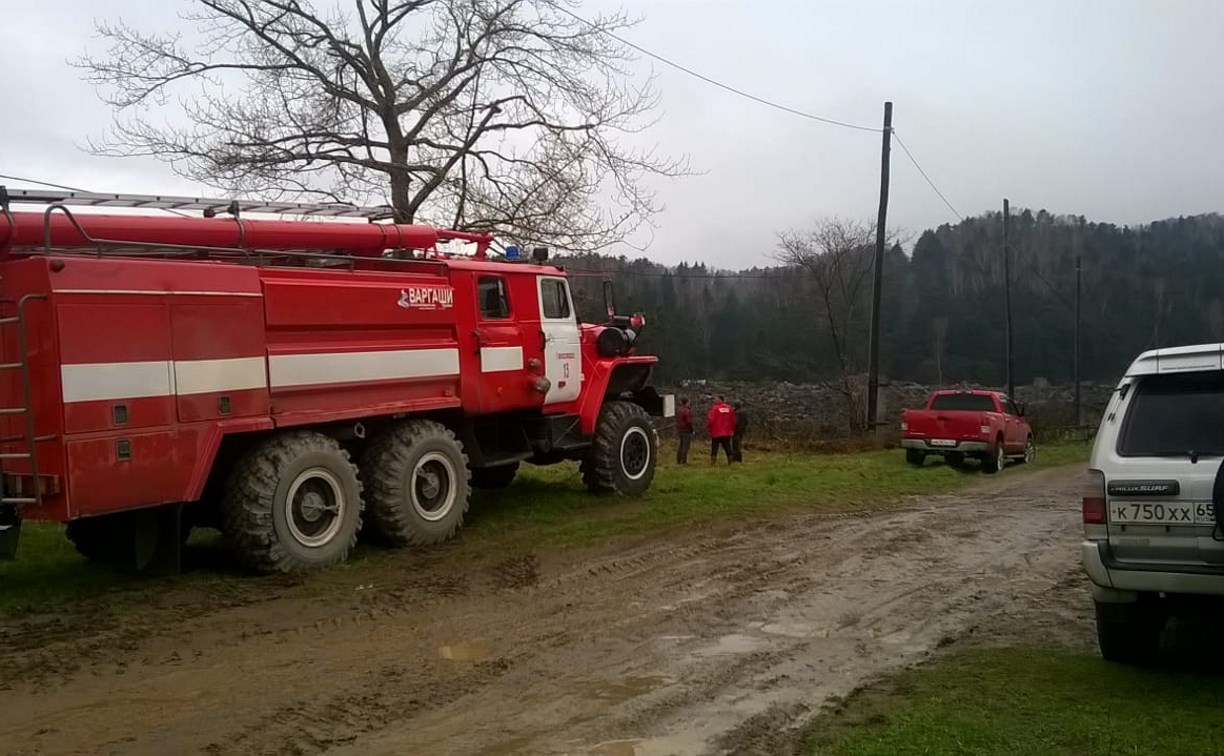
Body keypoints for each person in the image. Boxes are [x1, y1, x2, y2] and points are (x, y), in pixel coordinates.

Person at [707, 395, 737, 465]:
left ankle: (713, 462)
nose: (714, 401)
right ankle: (730, 462)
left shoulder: (714, 409)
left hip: (716, 432)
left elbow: (710, 420)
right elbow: (733, 421)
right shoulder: (729, 409)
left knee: (714, 447)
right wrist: (732, 429)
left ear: (721, 400)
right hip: (726, 432)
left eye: (716, 399)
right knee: (728, 447)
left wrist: (709, 428)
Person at [675, 397, 694, 464]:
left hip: (680, 429)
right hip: (686, 430)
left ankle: (678, 460)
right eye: (689, 402)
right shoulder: (686, 411)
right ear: (686, 403)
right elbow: (688, 422)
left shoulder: (678, 410)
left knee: (681, 445)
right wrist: (691, 429)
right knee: (685, 446)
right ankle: (684, 461)